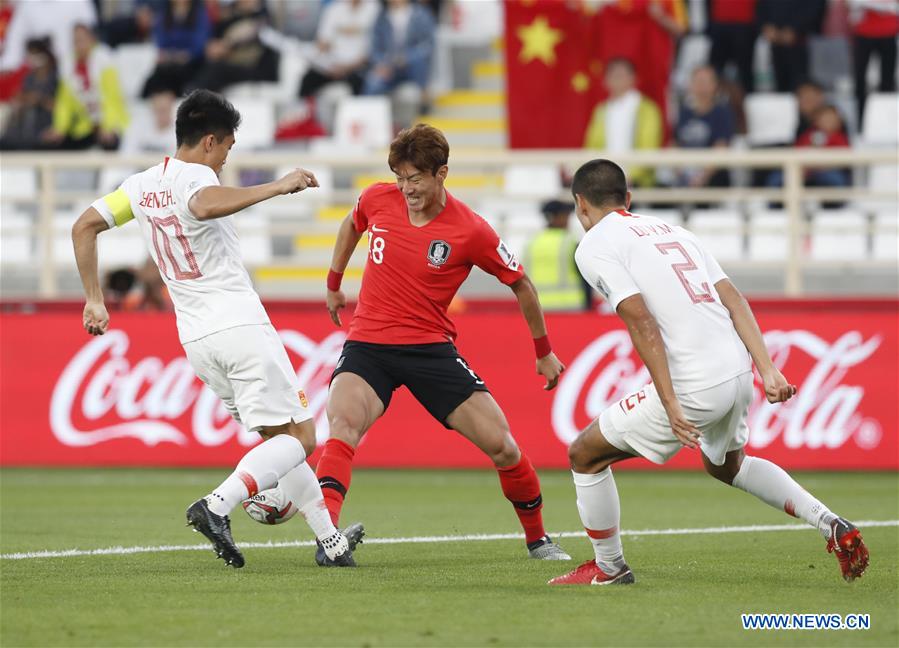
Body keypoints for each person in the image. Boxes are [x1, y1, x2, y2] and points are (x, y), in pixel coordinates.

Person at [71, 89, 359, 569]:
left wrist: (94, 300)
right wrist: (277, 185)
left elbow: (83, 226)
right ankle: (218, 504)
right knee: (304, 439)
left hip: (197, 340)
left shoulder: (139, 186)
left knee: (280, 442)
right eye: (227, 148)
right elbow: (202, 205)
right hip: (239, 325)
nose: (226, 159)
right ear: (209, 141)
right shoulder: (197, 177)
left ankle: (331, 544)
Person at [548, 159, 869, 586]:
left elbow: (640, 321)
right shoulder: (677, 232)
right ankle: (831, 523)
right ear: (628, 199)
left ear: (579, 205)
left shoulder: (593, 245)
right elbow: (734, 298)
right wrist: (767, 369)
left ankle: (609, 567)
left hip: (695, 383)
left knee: (584, 455)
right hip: (737, 373)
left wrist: (670, 400)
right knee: (728, 466)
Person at [320, 124, 570, 565]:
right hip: (369, 345)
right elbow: (351, 224)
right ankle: (329, 538)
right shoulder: (379, 198)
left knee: (503, 447)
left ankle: (538, 539)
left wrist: (544, 351)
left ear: (442, 174)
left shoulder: (470, 230)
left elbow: (523, 285)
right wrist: (334, 282)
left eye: (415, 178)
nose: (406, 187)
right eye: (400, 176)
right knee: (342, 426)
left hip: (430, 350)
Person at [44, 23, 128, 150]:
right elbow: (64, 103)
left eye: (82, 40)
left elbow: (113, 100)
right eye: (75, 41)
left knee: (109, 143)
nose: (79, 45)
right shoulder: (68, 66)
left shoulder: (105, 63)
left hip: (111, 122)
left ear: (92, 40)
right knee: (52, 144)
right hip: (85, 126)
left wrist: (108, 127)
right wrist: (59, 128)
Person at [584, 58, 662, 188]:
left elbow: (649, 147)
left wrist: (630, 176)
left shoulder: (647, 109)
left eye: (621, 75)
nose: (616, 79)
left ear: (633, 78)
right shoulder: (601, 110)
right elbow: (592, 146)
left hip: (636, 182)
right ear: (605, 80)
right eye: (613, 75)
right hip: (603, 181)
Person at [298, 0, 378, 98]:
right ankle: (302, 111)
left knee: (362, 84)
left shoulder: (374, 9)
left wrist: (348, 67)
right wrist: (322, 61)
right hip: (332, 66)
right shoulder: (334, 9)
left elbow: (372, 49)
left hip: (358, 68)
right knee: (307, 80)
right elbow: (323, 41)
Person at [673, 65, 735, 189]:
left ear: (715, 85)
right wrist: (682, 172)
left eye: (706, 82)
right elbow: (674, 144)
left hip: (711, 175)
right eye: (698, 81)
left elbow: (721, 147)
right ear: (690, 85)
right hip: (685, 172)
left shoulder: (722, 112)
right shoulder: (682, 112)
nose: (702, 86)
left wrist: (701, 176)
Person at [522, 200, 590, 312]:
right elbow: (585, 278)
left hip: (537, 308)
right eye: (565, 216)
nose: (568, 220)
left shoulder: (531, 243)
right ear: (554, 217)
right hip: (569, 308)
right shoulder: (570, 242)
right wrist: (589, 307)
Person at [363, 0, 435, 102]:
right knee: (373, 82)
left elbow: (428, 46)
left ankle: (424, 97)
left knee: (419, 62)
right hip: (390, 67)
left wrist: (407, 58)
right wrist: (381, 64)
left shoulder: (420, 14)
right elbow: (374, 48)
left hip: (413, 67)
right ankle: (369, 114)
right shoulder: (381, 17)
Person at [0, 38, 58, 150]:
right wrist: (23, 99)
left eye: (35, 54)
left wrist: (40, 100)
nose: (31, 59)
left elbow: (60, 107)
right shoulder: (29, 78)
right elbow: (19, 97)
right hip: (24, 129)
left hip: (46, 128)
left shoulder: (55, 78)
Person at [849, 0, 898, 124]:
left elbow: (894, 6)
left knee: (887, 80)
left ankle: (885, 120)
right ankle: (860, 120)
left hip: (888, 33)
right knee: (860, 80)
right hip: (864, 33)